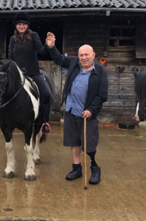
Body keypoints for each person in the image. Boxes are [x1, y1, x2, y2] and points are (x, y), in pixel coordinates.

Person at [45, 32, 108, 185]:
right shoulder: (74, 63)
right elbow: (59, 59)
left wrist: (91, 110)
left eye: (86, 55)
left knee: (89, 143)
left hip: (87, 113)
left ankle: (94, 167)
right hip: (71, 110)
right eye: (81, 55)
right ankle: (76, 168)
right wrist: (52, 47)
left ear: (93, 55)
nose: (83, 58)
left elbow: (102, 95)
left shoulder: (100, 71)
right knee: (74, 141)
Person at [4, 12, 52, 133]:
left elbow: (41, 51)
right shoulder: (12, 39)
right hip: (18, 74)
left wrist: (47, 46)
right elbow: (10, 57)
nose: (21, 26)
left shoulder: (33, 36)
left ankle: (45, 122)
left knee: (45, 94)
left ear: (27, 25)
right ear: (16, 25)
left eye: (24, 24)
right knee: (2, 89)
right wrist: (13, 69)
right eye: (19, 24)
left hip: (33, 73)